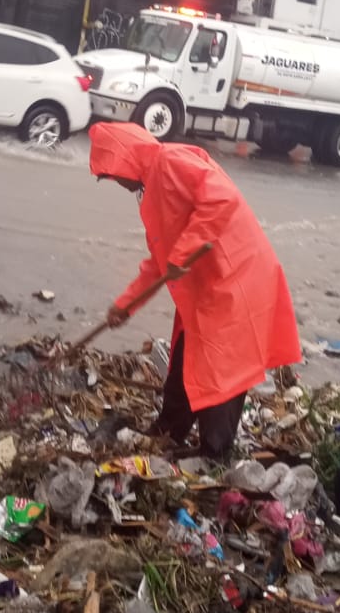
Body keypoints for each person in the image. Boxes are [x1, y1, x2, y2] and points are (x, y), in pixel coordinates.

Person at [89, 122, 300, 458]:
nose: (118, 182)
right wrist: (125, 306)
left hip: (236, 280)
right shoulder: (151, 191)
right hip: (209, 288)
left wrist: (185, 250)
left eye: (114, 175)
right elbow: (159, 263)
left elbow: (221, 199)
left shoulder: (170, 161)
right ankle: (170, 429)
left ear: (125, 160)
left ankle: (215, 452)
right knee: (187, 360)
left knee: (223, 371)